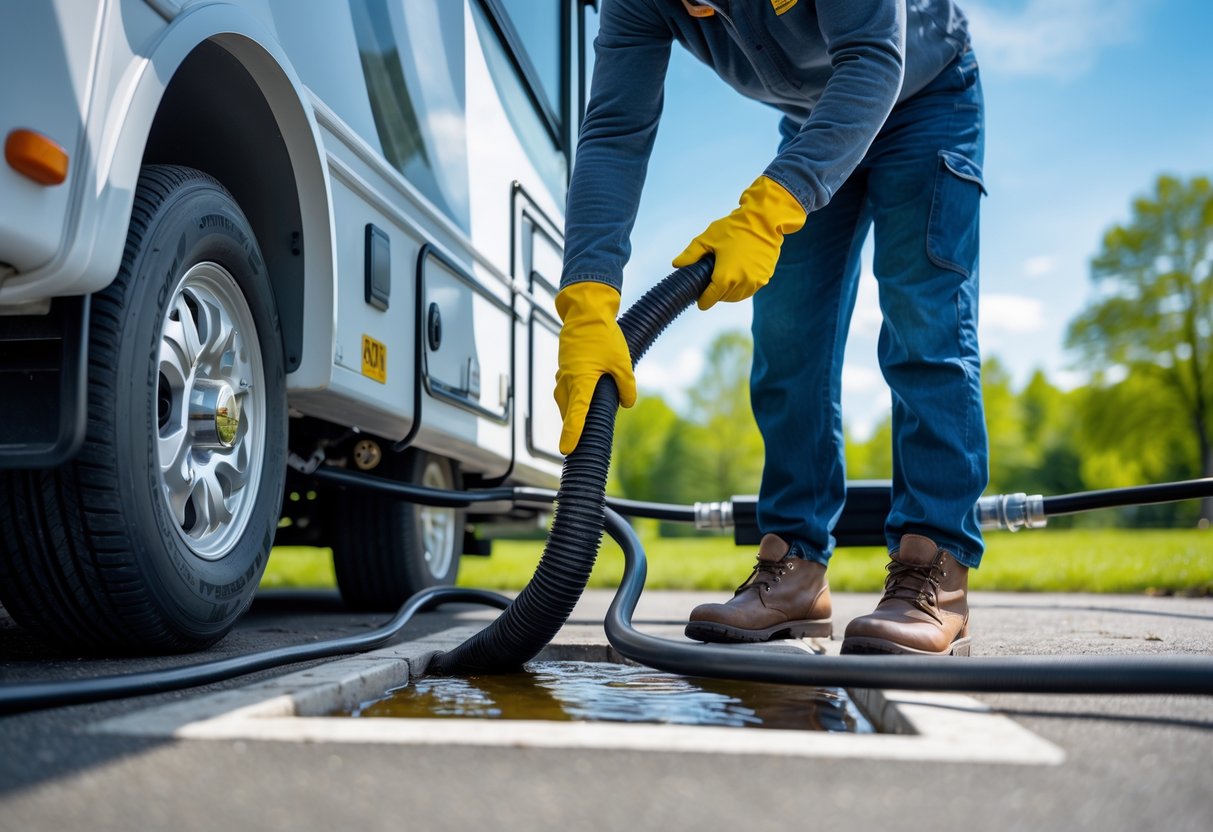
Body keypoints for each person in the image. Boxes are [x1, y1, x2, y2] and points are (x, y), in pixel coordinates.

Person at [555, 0, 987, 656]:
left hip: (926, 96)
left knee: (922, 324)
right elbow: (614, 130)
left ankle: (934, 570)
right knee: (787, 337)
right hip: (817, 119)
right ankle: (794, 569)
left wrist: (765, 212)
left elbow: (873, 55)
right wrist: (587, 297)